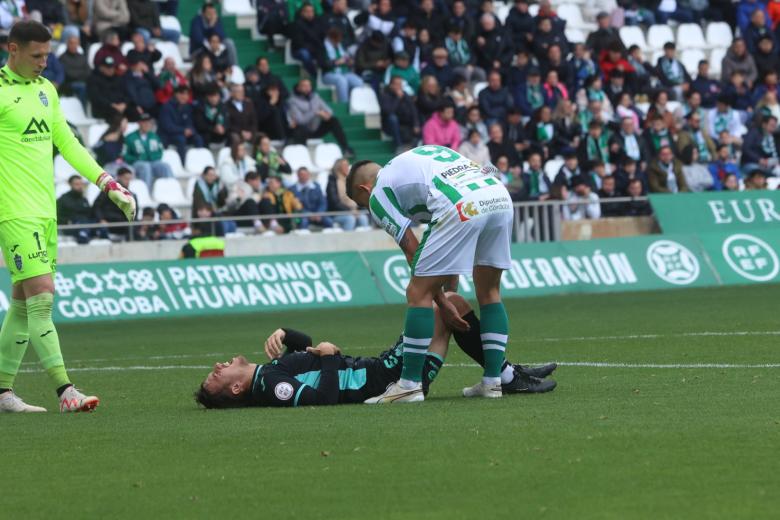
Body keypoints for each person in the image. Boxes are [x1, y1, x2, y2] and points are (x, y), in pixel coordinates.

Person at [0, 21, 135, 413]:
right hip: (14, 211)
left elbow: (69, 144)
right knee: (43, 298)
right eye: (36, 55)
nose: (44, 63)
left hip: (45, 211)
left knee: (23, 306)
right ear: (13, 49)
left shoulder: (46, 91)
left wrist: (107, 183)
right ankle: (65, 391)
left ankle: (2, 392)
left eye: (47, 55)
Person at [346, 145, 524, 403]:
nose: (369, 210)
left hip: (462, 203)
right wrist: (447, 296)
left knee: (417, 292)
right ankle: (492, 382)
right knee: (489, 292)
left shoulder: (377, 193)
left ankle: (409, 385)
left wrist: (441, 301)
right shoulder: (421, 157)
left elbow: (411, 248)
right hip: (497, 195)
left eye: (362, 204)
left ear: (364, 190)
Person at [194, 292, 557, 408]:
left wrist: (286, 332)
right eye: (217, 375)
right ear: (236, 388)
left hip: (382, 371)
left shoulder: (266, 373)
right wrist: (330, 356)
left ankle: (506, 374)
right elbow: (324, 399)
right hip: (386, 378)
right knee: (446, 305)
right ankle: (506, 375)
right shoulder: (272, 386)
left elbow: (304, 351)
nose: (218, 365)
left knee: (451, 307)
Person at [287, 78, 353, 155]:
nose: (307, 88)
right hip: (303, 130)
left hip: (316, 128)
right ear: (298, 88)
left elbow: (329, 111)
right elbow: (300, 120)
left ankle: (346, 148)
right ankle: (303, 155)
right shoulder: (292, 101)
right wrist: (315, 112)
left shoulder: (315, 97)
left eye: (309, 85)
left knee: (333, 120)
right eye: (304, 86)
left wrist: (326, 115)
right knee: (298, 128)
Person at [123, 113, 173, 188]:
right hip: (137, 163)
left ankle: (170, 190)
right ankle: (146, 193)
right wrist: (137, 158)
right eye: (144, 122)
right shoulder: (130, 137)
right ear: (139, 123)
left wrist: (152, 157)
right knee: (146, 166)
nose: (147, 124)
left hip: (153, 162)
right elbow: (125, 155)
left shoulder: (154, 136)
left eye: (149, 122)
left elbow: (160, 152)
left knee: (165, 166)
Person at [158, 85, 203, 161]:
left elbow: (190, 123)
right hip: (168, 135)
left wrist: (190, 130)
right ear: (176, 94)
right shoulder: (166, 107)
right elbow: (167, 126)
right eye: (182, 94)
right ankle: (183, 163)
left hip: (182, 133)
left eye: (187, 94)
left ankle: (199, 162)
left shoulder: (187, 107)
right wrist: (183, 130)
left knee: (198, 138)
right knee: (181, 139)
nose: (185, 97)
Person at [93, 167, 138, 240]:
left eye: (129, 179)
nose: (128, 181)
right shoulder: (108, 190)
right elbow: (97, 206)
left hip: (124, 224)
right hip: (109, 222)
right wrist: (101, 219)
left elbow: (135, 212)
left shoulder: (132, 195)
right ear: (119, 177)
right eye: (126, 178)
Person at [380, 75, 420, 152]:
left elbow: (413, 109)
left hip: (404, 124)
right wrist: (398, 98)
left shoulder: (405, 94)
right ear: (391, 85)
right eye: (397, 84)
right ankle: (398, 145)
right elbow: (389, 111)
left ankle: (416, 145)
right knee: (392, 118)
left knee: (418, 117)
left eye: (401, 84)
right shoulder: (385, 95)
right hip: (389, 126)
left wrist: (416, 124)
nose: (399, 86)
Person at [326, 158, 369, 231]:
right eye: (344, 166)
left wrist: (358, 209)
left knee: (363, 218)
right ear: (338, 168)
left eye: (347, 165)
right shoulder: (332, 182)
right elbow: (334, 202)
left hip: (353, 211)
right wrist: (349, 210)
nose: (347, 167)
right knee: (350, 219)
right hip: (338, 213)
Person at [323, 27, 363, 103]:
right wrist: (336, 63)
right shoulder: (323, 47)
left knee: (359, 82)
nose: (338, 42)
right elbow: (323, 64)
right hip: (329, 74)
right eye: (336, 40)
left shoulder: (340, 46)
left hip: (344, 72)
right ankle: (344, 104)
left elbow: (346, 58)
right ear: (331, 38)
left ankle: (353, 104)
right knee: (342, 81)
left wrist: (349, 62)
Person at [57, 175, 100, 244]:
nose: (80, 186)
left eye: (81, 184)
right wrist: (67, 221)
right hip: (71, 227)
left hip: (86, 225)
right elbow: (58, 215)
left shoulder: (83, 199)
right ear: (70, 185)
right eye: (77, 184)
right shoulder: (63, 199)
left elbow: (90, 213)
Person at [58, 35, 89, 106]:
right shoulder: (62, 58)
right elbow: (68, 74)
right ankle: (82, 110)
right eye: (71, 43)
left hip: (83, 81)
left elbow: (88, 72)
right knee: (83, 87)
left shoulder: (82, 57)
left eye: (76, 43)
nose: (73, 45)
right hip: (68, 84)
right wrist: (81, 74)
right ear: (67, 44)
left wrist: (79, 75)